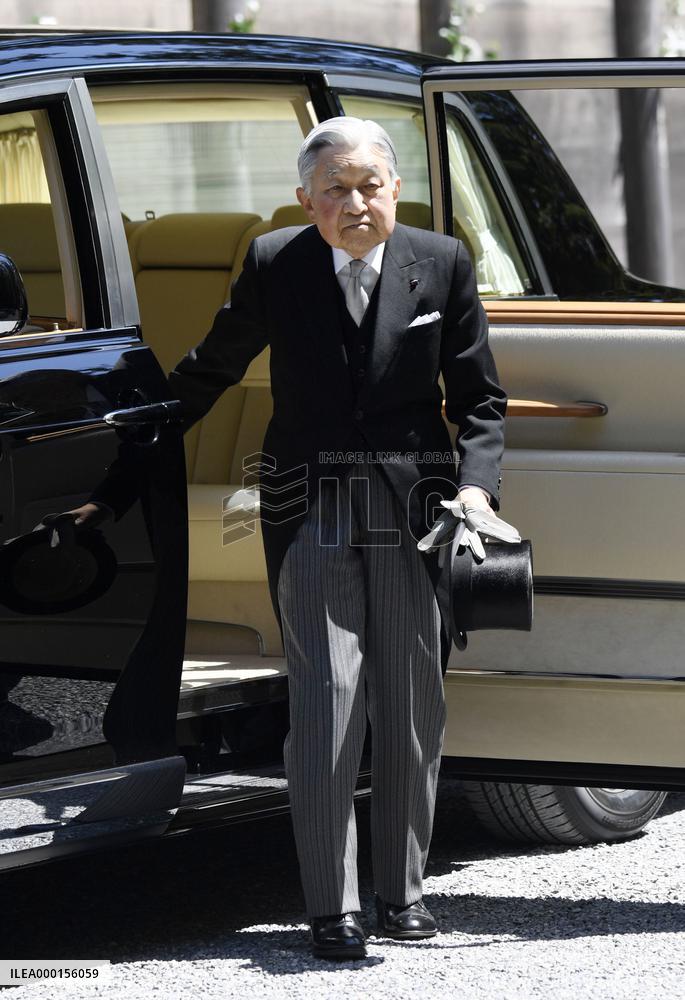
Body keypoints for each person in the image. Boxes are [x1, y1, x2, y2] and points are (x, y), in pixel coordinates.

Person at [81, 116, 513, 959]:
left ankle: (403, 896)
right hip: (308, 500)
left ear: (394, 189)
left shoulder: (443, 261)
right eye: (335, 191)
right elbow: (210, 367)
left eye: (370, 186)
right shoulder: (277, 262)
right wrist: (121, 461)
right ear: (304, 202)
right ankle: (332, 908)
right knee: (326, 701)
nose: (355, 203)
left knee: (414, 703)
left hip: (414, 505)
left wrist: (474, 489)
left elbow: (481, 401)